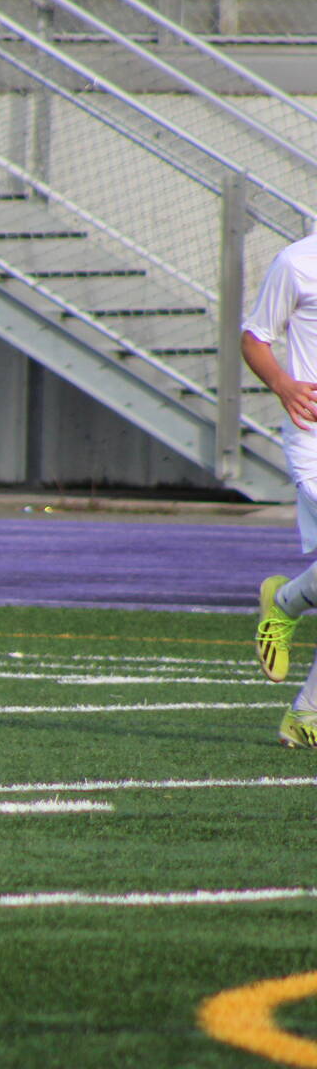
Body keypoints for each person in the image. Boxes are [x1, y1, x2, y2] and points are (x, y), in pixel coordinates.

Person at [242, 228, 317, 745]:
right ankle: (287, 603)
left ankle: (305, 717)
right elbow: (255, 337)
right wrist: (284, 384)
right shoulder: (297, 262)